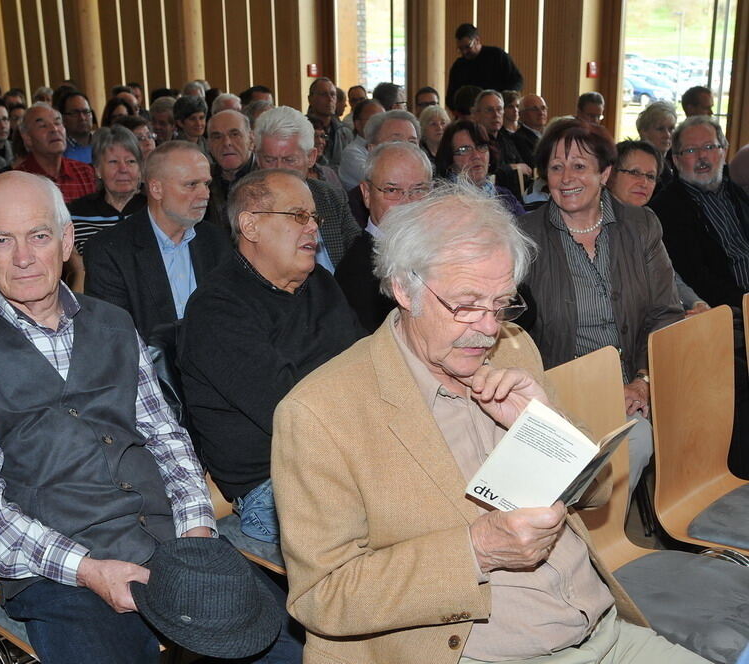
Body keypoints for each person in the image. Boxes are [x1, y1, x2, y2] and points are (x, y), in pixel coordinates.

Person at [271, 178, 709, 664]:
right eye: (466, 304)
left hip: (604, 629)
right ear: (403, 288)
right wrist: (476, 552)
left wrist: (548, 430)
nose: (487, 327)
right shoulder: (321, 413)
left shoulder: (514, 347)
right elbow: (322, 596)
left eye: (500, 304)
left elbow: (599, 493)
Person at [0, 170, 218, 664]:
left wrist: (196, 530)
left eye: (38, 235)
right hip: (58, 571)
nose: (24, 257)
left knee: (277, 644)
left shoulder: (114, 322)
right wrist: (86, 569)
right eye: (2, 240)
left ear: (66, 239)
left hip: (166, 539)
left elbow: (164, 435)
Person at [179, 168, 362, 545]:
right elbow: (294, 413)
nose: (312, 227)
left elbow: (367, 365)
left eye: (315, 217)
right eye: (298, 216)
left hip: (348, 459)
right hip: (276, 485)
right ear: (251, 226)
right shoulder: (217, 310)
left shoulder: (321, 285)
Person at [518, 118, 683, 496]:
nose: (565, 177)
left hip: (631, 384)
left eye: (579, 166)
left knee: (639, 437)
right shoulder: (526, 236)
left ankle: (597, 542)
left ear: (604, 172)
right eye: (556, 167)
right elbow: (513, 332)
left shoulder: (641, 225)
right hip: (558, 391)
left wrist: (643, 380)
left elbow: (666, 313)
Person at [84, 141, 230, 340]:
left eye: (206, 184)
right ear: (156, 188)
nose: (205, 194)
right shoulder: (110, 251)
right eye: (191, 184)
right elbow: (114, 338)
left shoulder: (216, 241)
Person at [650, 115, 749, 309]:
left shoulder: (739, 191)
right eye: (691, 150)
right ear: (676, 160)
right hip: (728, 311)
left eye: (709, 147)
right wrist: (744, 304)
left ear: (723, 151)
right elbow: (695, 278)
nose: (702, 156)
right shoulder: (666, 209)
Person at [335, 141, 433, 331]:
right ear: (366, 194)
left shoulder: (447, 246)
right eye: (392, 190)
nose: (407, 202)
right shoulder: (356, 272)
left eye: (419, 190)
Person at [607, 140, 709, 316]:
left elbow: (666, 275)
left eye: (650, 176)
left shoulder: (647, 219)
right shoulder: (590, 217)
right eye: (634, 173)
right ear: (609, 174)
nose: (643, 183)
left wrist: (695, 303)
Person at [254, 106, 361, 272]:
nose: (279, 169)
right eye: (270, 160)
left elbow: (358, 252)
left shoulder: (331, 197)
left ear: (311, 157)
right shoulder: (246, 204)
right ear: (258, 159)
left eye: (289, 160)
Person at [68, 126, 147, 255]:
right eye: (113, 162)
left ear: (140, 169)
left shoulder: (155, 210)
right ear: (98, 169)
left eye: (131, 161)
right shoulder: (76, 214)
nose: (123, 169)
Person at [435, 119, 524, 218]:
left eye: (481, 146)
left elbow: (527, 230)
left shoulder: (504, 197)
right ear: (449, 160)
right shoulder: (445, 203)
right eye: (464, 150)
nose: (476, 155)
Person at [14, 102, 96, 203]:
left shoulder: (85, 173)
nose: (54, 129)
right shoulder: (18, 181)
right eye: (43, 125)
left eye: (57, 123)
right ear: (27, 137)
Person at [445, 23, 523, 110]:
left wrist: (505, 99)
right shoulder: (458, 66)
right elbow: (451, 98)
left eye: (467, 47)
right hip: (471, 115)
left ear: (477, 40)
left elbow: (517, 81)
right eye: (460, 49)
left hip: (498, 110)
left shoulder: (497, 56)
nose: (464, 52)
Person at [205, 109, 256, 232]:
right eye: (217, 137)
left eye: (234, 134)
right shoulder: (202, 181)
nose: (226, 143)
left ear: (251, 140)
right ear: (209, 145)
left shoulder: (268, 179)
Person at [473, 90, 530, 199]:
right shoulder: (473, 142)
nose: (496, 115)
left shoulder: (506, 139)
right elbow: (484, 175)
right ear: (477, 114)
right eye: (489, 110)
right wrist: (512, 168)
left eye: (499, 109)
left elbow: (526, 169)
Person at [306, 77, 353, 168]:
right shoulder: (301, 129)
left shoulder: (345, 132)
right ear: (310, 99)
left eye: (333, 95)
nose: (329, 99)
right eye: (323, 94)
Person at [337, 99, 384, 190]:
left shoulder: (387, 147)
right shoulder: (351, 153)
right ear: (358, 124)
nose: (381, 124)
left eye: (383, 119)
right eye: (374, 120)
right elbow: (379, 179)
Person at [635, 101, 677, 194]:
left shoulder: (676, 159)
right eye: (660, 129)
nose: (667, 135)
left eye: (671, 129)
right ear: (644, 132)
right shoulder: (637, 162)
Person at [57, 91, 95, 163]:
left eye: (86, 112)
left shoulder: (103, 143)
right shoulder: (59, 150)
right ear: (63, 118)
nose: (82, 118)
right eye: (75, 113)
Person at [513, 93, 548, 167]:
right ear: (521, 114)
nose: (541, 113)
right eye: (534, 109)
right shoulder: (518, 138)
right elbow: (534, 164)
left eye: (543, 108)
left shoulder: (551, 134)